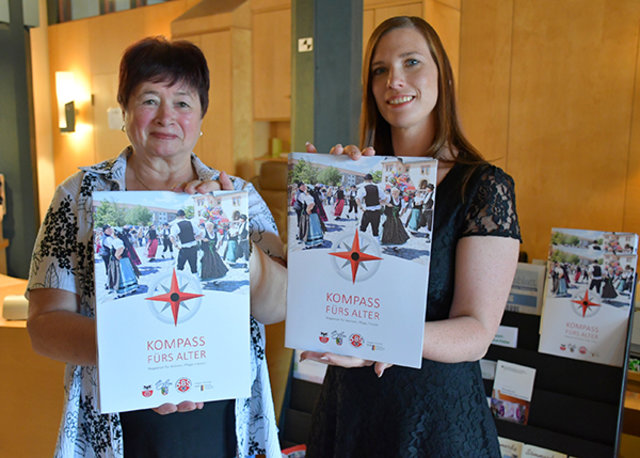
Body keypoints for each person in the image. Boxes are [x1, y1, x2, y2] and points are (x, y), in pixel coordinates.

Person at [26, 36, 286, 458]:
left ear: (202, 115)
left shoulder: (236, 197)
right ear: (125, 111)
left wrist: (234, 236)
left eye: (183, 102)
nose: (166, 116)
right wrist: (145, 362)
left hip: (221, 415)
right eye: (149, 99)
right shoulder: (78, 197)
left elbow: (278, 307)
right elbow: (44, 326)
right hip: (115, 416)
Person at [303, 16, 520, 457]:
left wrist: (380, 342)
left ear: (443, 76)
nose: (394, 80)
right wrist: (327, 190)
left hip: (434, 422)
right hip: (350, 410)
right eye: (380, 70)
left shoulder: (482, 186)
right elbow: (328, 290)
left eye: (411, 62)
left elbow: (477, 331)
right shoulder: (357, 179)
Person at [171, 208, 202, 274]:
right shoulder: (191, 222)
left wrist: (176, 245)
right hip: (193, 248)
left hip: (183, 249)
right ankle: (197, 283)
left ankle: (180, 283)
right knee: (194, 268)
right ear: (184, 215)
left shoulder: (176, 225)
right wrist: (194, 239)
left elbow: (172, 237)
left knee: (180, 268)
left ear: (177, 216)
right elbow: (200, 233)